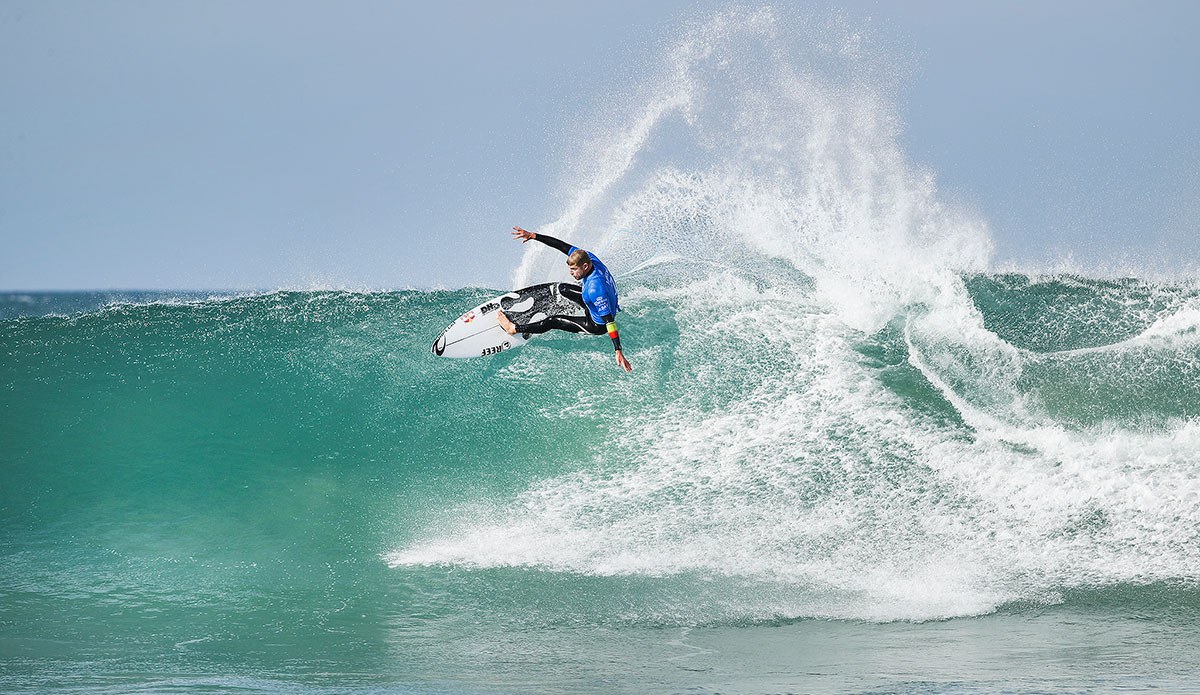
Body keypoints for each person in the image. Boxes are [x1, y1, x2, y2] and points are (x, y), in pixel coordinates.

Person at [498, 226, 633, 372]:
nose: (571, 273)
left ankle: (513, 328)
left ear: (585, 266)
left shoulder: (596, 290)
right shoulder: (589, 257)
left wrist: (618, 350)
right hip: (592, 301)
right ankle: (571, 307)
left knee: (553, 321)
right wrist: (533, 236)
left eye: (574, 270)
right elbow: (561, 245)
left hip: (595, 323)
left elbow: (609, 322)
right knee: (563, 288)